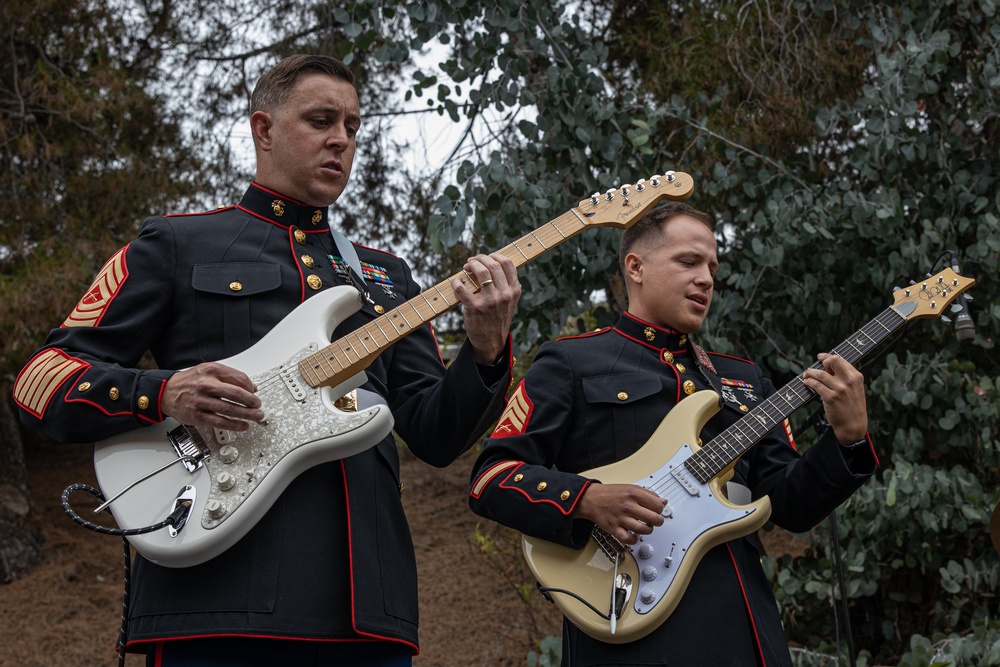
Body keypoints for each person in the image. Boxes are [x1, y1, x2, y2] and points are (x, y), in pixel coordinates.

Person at [13, 54, 520, 665]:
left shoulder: (388, 277)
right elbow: (41, 379)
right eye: (321, 119)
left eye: (353, 126)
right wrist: (160, 392)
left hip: (367, 615)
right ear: (264, 129)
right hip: (214, 600)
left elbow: (434, 434)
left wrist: (487, 349)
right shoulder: (176, 244)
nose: (341, 139)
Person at [468, 202, 877, 666]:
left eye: (712, 267)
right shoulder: (570, 362)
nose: (706, 278)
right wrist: (586, 499)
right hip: (627, 624)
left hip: (742, 630)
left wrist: (848, 438)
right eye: (689, 261)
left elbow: (792, 506)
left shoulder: (742, 377)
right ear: (635, 267)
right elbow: (491, 477)